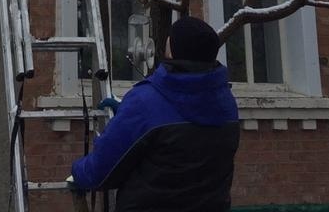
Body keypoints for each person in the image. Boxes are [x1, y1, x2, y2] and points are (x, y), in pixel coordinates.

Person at [69, 16, 241, 212]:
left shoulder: (145, 102)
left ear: (174, 50)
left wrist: (77, 171)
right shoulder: (226, 103)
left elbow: (98, 173)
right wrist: (129, 116)